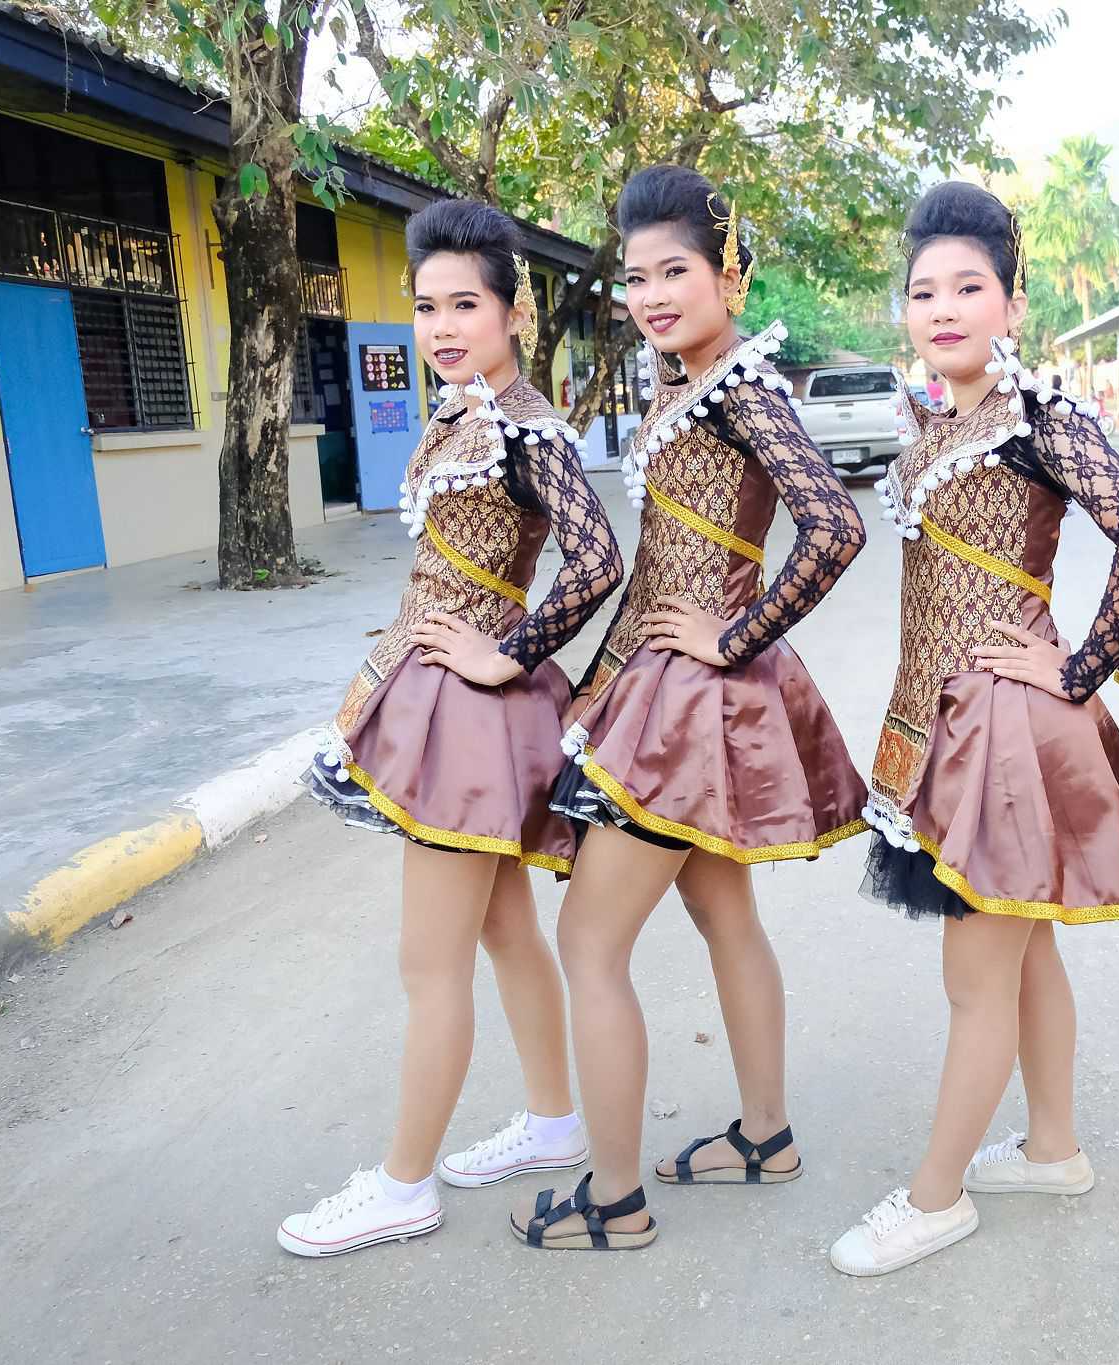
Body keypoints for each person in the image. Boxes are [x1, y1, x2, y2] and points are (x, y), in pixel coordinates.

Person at [829, 182, 1119, 1276]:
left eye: (967, 287)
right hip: (940, 722)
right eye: (923, 291)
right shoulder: (943, 417)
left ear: (1012, 305)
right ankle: (1052, 1148)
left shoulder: (1038, 416)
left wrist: (1082, 665)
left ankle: (934, 1199)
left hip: (1003, 728)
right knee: (1024, 956)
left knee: (977, 977)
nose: (942, 308)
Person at [526, 165, 869, 1251]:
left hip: (690, 700)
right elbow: (657, 564)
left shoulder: (738, 388)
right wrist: (597, 683)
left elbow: (835, 528)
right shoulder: (688, 387)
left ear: (728, 272)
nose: (651, 295)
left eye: (673, 271)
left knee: (589, 943)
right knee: (724, 917)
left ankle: (614, 1199)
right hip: (667, 689)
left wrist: (731, 636)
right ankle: (766, 1138)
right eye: (635, 278)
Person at [282, 199, 624, 1258]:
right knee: (501, 929)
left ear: (515, 312)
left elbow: (597, 559)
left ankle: (402, 1184)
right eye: (426, 305)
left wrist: (508, 653)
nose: (441, 325)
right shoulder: (467, 412)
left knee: (428, 964)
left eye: (464, 304)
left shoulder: (523, 426)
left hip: (469, 715)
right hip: (445, 700)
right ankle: (554, 1119)